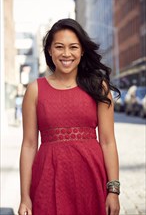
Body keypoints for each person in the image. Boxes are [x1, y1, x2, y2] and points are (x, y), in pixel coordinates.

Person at [18, 18, 121, 215]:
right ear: (49, 50)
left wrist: (113, 191)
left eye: (73, 47)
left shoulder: (98, 88)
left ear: (82, 50)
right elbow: (29, 144)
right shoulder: (34, 90)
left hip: (91, 180)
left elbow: (108, 142)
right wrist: (25, 197)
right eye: (59, 47)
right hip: (47, 181)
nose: (66, 54)